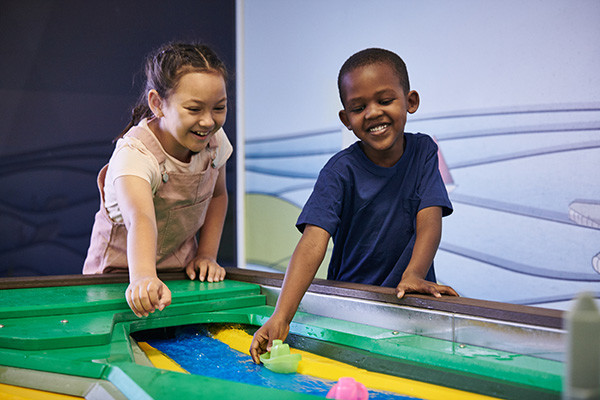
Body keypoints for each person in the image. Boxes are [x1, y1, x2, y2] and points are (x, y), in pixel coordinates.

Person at [249, 48, 458, 363]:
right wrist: (282, 315)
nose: (373, 113)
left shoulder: (424, 150)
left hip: (406, 306)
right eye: (359, 108)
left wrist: (414, 273)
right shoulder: (339, 172)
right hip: (349, 310)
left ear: (410, 101)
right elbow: (312, 243)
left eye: (385, 101)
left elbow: (429, 217)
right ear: (346, 119)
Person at [83, 42, 232, 318]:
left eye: (219, 108)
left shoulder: (214, 143)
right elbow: (140, 217)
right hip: (118, 276)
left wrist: (207, 256)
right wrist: (142, 277)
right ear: (157, 104)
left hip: (179, 274)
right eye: (194, 109)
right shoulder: (135, 155)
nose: (208, 122)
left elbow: (218, 195)